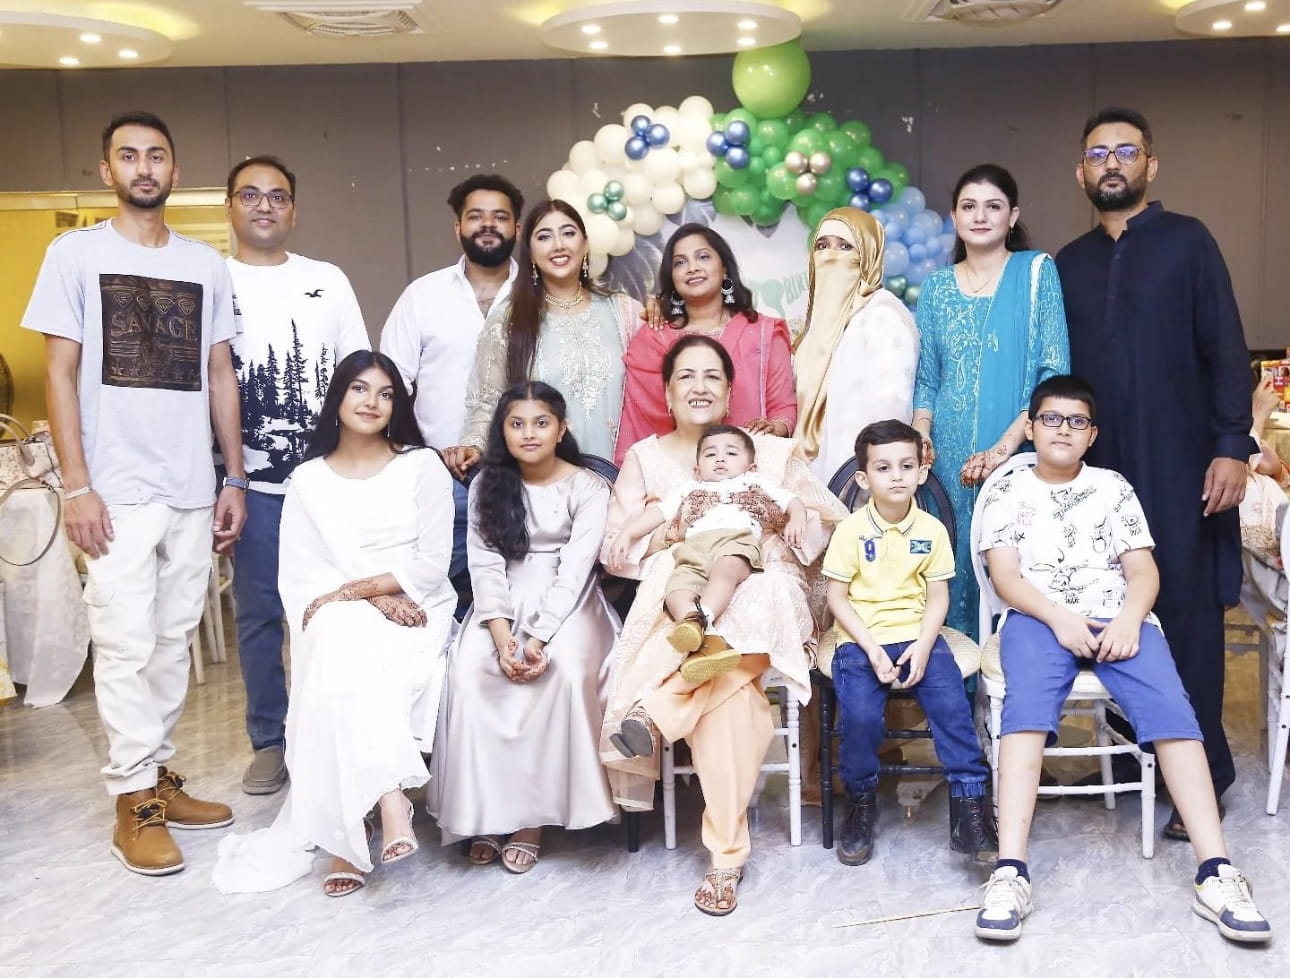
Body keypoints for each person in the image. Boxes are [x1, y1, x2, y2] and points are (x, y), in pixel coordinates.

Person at [22, 111, 244, 876]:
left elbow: (220, 375)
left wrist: (234, 475)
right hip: (112, 491)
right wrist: (75, 485)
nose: (144, 167)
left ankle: (156, 774)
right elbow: (57, 374)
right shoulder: (73, 254)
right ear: (105, 170)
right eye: (129, 156)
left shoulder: (206, 265)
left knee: (171, 642)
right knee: (121, 643)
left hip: (189, 485)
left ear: (175, 172)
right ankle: (133, 802)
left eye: (157, 155)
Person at [975, 374, 1271, 945]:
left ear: (1093, 435)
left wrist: (1132, 618)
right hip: (1039, 617)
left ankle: (1217, 872)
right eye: (1052, 419)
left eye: (1077, 421)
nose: (1064, 429)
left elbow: (1143, 570)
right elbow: (1005, 576)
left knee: (1173, 714)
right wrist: (1060, 618)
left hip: (1119, 616)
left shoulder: (1112, 487)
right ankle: (1009, 871)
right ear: (1031, 427)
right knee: (1026, 714)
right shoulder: (1008, 491)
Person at [600, 334, 847, 917]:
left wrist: (790, 524)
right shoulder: (647, 459)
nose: (699, 387)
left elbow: (820, 536)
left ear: (732, 389)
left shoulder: (772, 457)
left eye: (712, 375)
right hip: (681, 600)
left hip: (763, 590)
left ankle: (654, 712)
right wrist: (671, 535)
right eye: (685, 376)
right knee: (729, 693)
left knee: (750, 621)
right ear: (664, 391)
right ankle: (726, 856)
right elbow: (615, 550)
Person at [1055, 108, 1254, 831]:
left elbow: (1227, 349)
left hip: (1183, 464)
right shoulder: (1066, 263)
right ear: (1081, 173)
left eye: (1126, 152)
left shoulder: (1188, 242)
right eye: (1098, 153)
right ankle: (1128, 759)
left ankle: (1202, 774)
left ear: (1150, 166)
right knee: (1106, 607)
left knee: (1186, 615)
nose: (1112, 163)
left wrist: (1232, 444)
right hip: (1098, 472)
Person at [213, 351, 457, 897]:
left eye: (386, 393)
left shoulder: (422, 465)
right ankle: (389, 799)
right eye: (359, 390)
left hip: (416, 604)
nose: (372, 402)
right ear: (338, 398)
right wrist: (364, 598)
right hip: (338, 609)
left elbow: (431, 564)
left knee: (341, 651)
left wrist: (369, 590)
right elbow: (303, 575)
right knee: (339, 635)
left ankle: (346, 841)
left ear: (399, 404)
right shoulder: (308, 479)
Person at [223, 155, 370, 796]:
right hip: (248, 486)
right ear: (231, 206)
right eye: (250, 195)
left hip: (328, 486)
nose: (264, 206)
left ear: (293, 209)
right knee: (259, 614)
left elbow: (358, 373)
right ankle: (269, 741)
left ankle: (330, 735)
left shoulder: (327, 281)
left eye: (277, 196)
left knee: (337, 612)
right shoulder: (213, 279)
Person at [428, 382, 619, 873]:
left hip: (569, 604)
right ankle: (486, 812)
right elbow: (484, 566)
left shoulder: (589, 487)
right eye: (516, 424)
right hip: (501, 605)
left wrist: (536, 640)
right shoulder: (487, 485)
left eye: (540, 422)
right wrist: (501, 637)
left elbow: (577, 571)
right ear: (502, 431)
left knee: (566, 671)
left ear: (562, 428)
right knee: (470, 673)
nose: (529, 433)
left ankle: (532, 818)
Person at [823, 419, 995, 867]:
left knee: (953, 710)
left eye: (906, 465)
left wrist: (922, 647)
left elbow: (938, 595)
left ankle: (971, 810)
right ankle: (860, 800)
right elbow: (837, 598)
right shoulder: (851, 531)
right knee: (860, 717)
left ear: (921, 470)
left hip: (918, 635)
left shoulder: (932, 531)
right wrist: (873, 650)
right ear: (864, 478)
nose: (896, 476)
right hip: (860, 640)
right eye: (883, 468)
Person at [913, 164, 1070, 637]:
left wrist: (1003, 450)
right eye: (968, 206)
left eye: (993, 206)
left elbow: (1053, 375)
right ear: (954, 216)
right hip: (946, 459)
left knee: (1012, 564)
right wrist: (921, 435)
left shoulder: (1036, 272)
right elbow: (927, 378)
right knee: (950, 567)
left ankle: (1006, 695)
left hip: (1018, 451)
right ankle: (955, 695)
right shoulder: (937, 287)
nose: (980, 216)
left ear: (1012, 215)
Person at [381, 173, 524, 580]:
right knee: (445, 589)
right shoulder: (422, 296)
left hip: (528, 473)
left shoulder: (538, 295)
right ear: (458, 227)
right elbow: (391, 384)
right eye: (475, 216)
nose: (488, 225)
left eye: (500, 216)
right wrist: (412, 461)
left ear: (516, 227)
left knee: (518, 589)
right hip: (444, 476)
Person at [445, 199, 641, 470]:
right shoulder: (508, 320)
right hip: (542, 484)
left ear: (584, 243)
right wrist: (473, 444)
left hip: (623, 481)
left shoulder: (624, 311)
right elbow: (490, 400)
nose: (558, 245)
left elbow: (651, 390)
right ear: (530, 252)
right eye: (544, 236)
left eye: (568, 233)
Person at [607, 424, 806, 685]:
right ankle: (693, 625)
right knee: (677, 587)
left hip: (736, 541)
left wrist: (797, 519)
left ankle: (702, 620)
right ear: (697, 468)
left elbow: (792, 501)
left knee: (726, 571)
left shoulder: (755, 483)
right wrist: (627, 534)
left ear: (751, 466)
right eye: (711, 454)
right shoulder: (689, 489)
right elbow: (656, 514)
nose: (720, 458)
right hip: (695, 547)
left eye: (731, 453)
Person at [615, 224, 796, 463]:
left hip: (750, 470)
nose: (692, 268)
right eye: (680, 262)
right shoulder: (653, 338)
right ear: (672, 277)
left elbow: (783, 406)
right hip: (671, 475)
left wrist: (773, 429)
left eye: (703, 257)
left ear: (724, 270)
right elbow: (636, 424)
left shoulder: (763, 333)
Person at [794, 206, 920, 484]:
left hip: (856, 481)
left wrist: (868, 478)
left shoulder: (882, 316)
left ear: (868, 257)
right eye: (822, 246)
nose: (831, 255)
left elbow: (891, 413)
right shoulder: (811, 331)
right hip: (803, 480)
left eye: (845, 246)